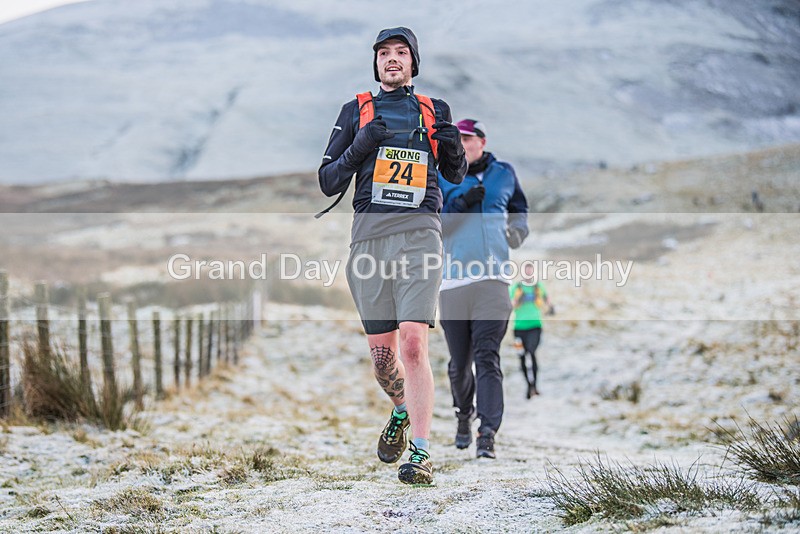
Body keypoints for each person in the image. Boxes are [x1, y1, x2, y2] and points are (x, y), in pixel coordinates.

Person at [318, 27, 466, 485]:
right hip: (368, 238)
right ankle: (400, 411)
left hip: (419, 233)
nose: (392, 59)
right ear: (376, 62)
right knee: (383, 360)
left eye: (401, 53)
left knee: (414, 345)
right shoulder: (356, 110)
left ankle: (420, 453)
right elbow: (327, 180)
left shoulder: (433, 110)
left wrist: (455, 145)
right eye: (384, 53)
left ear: (413, 62)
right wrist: (360, 146)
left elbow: (454, 173)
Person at [438, 118, 529, 459]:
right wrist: (461, 202)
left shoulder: (504, 173)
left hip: (494, 279)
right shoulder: (444, 175)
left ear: (482, 141)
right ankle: (464, 414)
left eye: (468, 138)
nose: (462, 144)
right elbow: (437, 225)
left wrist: (518, 230)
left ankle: (487, 432)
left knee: (487, 356)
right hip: (454, 280)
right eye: (457, 139)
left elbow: (519, 208)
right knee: (459, 364)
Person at [510, 263, 553, 399]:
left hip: (535, 326)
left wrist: (551, 308)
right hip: (518, 329)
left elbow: (547, 298)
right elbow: (510, 305)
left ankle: (535, 385)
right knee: (521, 357)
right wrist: (518, 300)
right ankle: (529, 386)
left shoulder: (538, 287)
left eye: (530, 271)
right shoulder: (516, 288)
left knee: (531, 352)